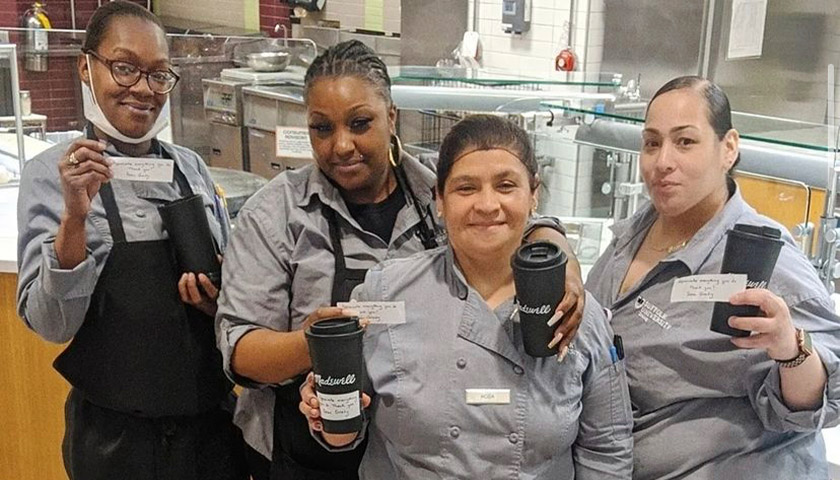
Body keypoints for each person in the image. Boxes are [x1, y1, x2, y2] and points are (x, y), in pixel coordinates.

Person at [216, 40, 587, 480]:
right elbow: (239, 350)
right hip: (306, 450)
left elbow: (507, 219)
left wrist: (558, 250)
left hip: (413, 449)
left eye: (360, 123)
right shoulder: (276, 213)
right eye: (321, 128)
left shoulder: (438, 191)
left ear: (391, 117)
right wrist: (324, 343)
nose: (341, 145)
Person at [298, 114, 633, 478]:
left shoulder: (574, 307)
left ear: (533, 194)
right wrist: (324, 408)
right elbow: (344, 432)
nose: (487, 205)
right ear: (439, 199)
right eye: (466, 188)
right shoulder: (386, 293)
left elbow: (607, 449)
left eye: (506, 185)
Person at [16, 2, 246, 479]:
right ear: (86, 66)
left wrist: (216, 300)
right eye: (124, 68)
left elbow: (233, 305)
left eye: (158, 74)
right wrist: (75, 218)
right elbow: (51, 324)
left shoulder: (191, 169)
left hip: (210, 432)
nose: (143, 88)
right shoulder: (50, 175)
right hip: (114, 443)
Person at [586, 76, 840, 479]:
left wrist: (791, 349)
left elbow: (826, 397)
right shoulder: (629, 237)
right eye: (652, 143)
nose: (662, 161)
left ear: (729, 148)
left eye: (685, 142)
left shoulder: (762, 256)